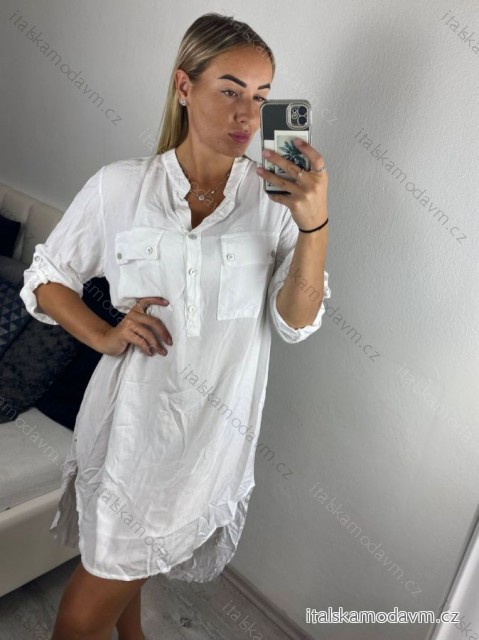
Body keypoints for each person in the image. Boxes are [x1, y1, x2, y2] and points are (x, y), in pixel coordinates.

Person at [19, 11, 331, 640]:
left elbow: (295, 322)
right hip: (127, 434)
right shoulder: (120, 188)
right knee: (84, 614)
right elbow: (46, 277)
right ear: (184, 86)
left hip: (209, 445)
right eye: (230, 90)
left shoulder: (274, 205)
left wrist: (314, 224)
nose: (248, 114)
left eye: (262, 97)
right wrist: (104, 334)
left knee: (128, 566)